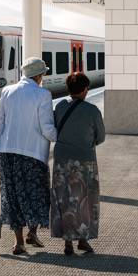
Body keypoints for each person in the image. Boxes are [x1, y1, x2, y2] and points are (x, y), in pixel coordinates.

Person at [0, 57, 57, 255]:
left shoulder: (7, 91)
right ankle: (32, 232)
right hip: (32, 154)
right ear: (38, 75)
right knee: (37, 194)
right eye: (43, 73)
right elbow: (47, 129)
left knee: (12, 197)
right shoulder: (43, 94)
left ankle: (18, 243)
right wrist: (60, 137)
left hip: (7, 152)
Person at [51, 72, 105, 256]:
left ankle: (67, 243)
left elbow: (55, 129)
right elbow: (101, 137)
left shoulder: (59, 107)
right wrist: (86, 144)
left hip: (61, 161)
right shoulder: (92, 110)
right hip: (85, 161)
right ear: (84, 90)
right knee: (85, 200)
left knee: (64, 199)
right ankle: (83, 240)